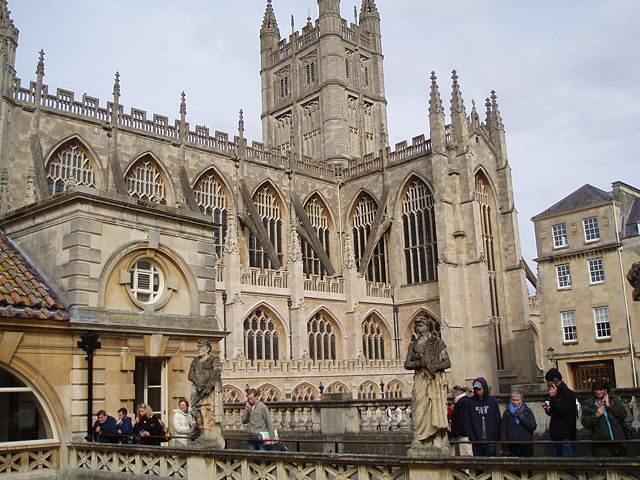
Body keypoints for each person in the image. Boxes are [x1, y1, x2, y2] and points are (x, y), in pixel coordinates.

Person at [404, 316, 451, 453]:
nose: (418, 328)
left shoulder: (437, 342)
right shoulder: (413, 344)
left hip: (434, 379)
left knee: (435, 407)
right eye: (417, 326)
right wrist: (421, 363)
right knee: (418, 407)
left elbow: (447, 362)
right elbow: (407, 364)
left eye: (421, 325)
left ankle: (437, 436)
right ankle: (419, 437)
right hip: (420, 378)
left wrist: (435, 367)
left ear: (427, 327)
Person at [581, 378, 627, 457]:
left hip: (618, 441)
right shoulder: (589, 404)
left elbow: (623, 415)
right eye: (596, 390)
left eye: (601, 389)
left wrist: (610, 406)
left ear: (606, 390)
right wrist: (596, 415)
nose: (598, 392)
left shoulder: (613, 399)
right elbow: (586, 423)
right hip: (601, 445)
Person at [188, 339, 223, 430]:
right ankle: (200, 429)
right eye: (198, 347)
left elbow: (216, 374)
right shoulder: (195, 360)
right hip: (196, 388)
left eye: (201, 347)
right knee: (194, 410)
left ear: (208, 349)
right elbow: (190, 375)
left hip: (208, 389)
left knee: (206, 410)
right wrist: (198, 384)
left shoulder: (213, 359)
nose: (199, 349)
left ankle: (208, 431)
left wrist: (207, 387)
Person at [542, 368, 576, 457]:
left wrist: (554, 398)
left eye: (548, 381)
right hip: (555, 433)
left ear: (555, 381)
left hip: (566, 434)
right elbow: (554, 412)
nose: (547, 384)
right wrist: (548, 409)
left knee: (567, 463)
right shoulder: (553, 392)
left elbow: (564, 411)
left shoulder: (568, 394)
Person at [463, 377, 500, 456]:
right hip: (476, 441)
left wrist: (495, 436)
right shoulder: (470, 403)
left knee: (491, 464)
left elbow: (497, 420)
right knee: (478, 465)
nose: (478, 392)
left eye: (479, 389)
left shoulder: (493, 402)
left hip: (491, 440)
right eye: (476, 389)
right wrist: (472, 437)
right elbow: (467, 421)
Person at [500, 390, 537, 457]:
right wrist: (505, 447)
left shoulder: (527, 411)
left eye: (517, 400)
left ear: (521, 400)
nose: (516, 402)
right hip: (512, 446)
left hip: (526, 445)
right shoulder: (507, 413)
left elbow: (533, 427)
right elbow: (503, 430)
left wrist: (521, 417)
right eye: (514, 400)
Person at [449, 385, 472, 457]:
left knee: (466, 455)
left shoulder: (461, 403)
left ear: (454, 394)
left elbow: (462, 420)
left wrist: (456, 433)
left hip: (464, 435)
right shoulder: (465, 401)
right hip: (465, 434)